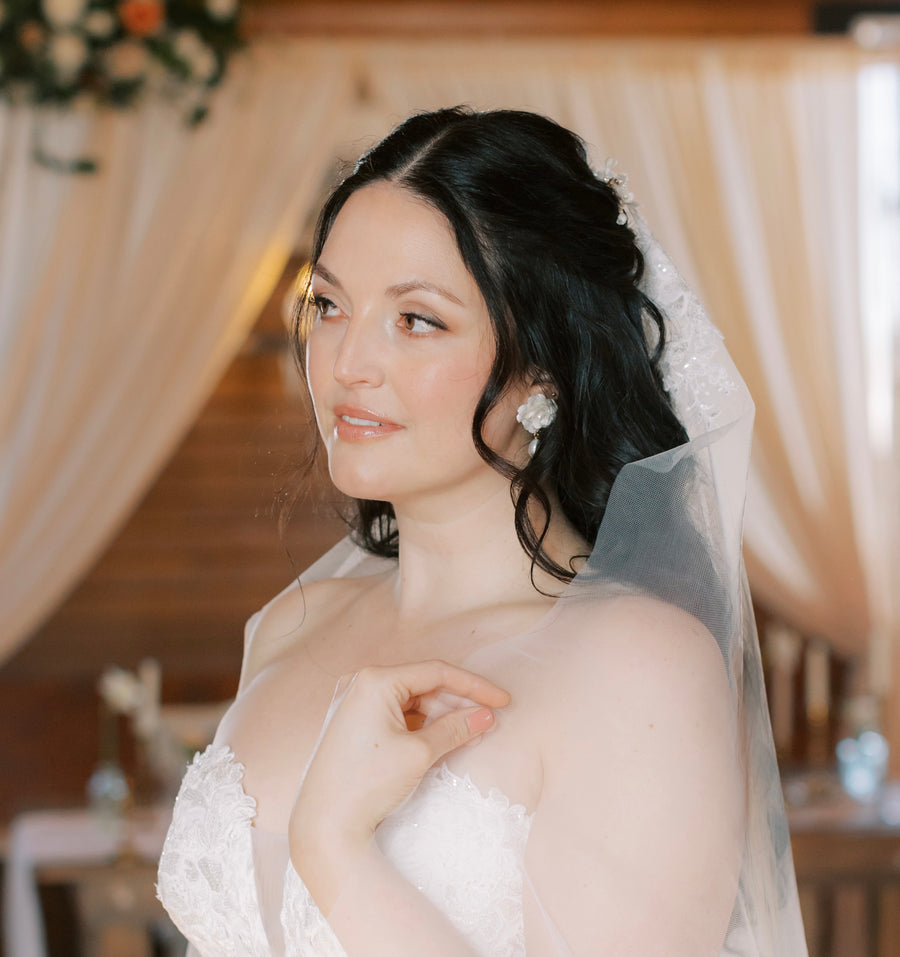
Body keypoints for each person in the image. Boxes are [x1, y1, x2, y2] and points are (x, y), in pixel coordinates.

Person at [157, 107, 807, 956]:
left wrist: (339, 855)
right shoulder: (291, 624)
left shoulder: (640, 664)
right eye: (330, 304)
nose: (347, 362)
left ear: (543, 364)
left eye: (416, 319)